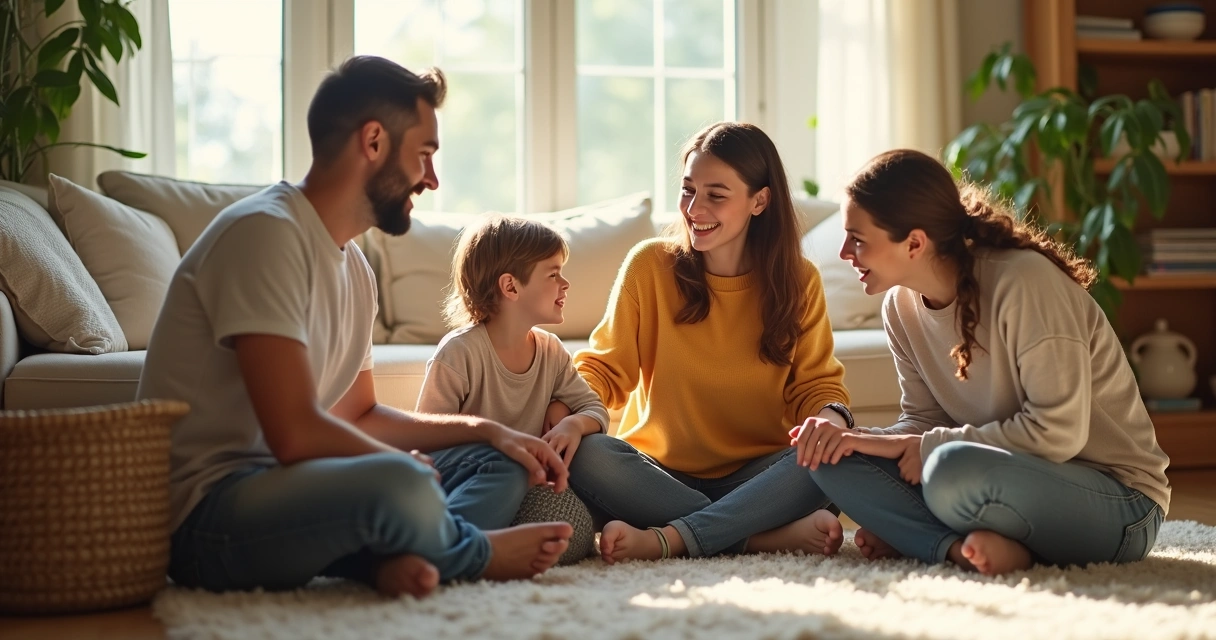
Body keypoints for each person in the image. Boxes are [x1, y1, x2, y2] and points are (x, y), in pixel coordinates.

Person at [137, 55, 573, 599]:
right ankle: (471, 552)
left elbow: (359, 414)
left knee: (497, 459)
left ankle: (402, 553)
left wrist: (487, 430)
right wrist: (397, 467)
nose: (432, 180)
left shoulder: (353, 267)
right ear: (373, 142)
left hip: (298, 492)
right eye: (424, 155)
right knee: (399, 482)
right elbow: (294, 434)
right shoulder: (265, 235)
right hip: (207, 515)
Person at [797, 148, 1170, 576]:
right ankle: (957, 549)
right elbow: (922, 420)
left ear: (915, 243)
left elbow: (1059, 433)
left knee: (949, 468)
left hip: (1120, 502)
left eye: (858, 239)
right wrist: (859, 438)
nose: (845, 253)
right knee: (828, 458)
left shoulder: (1024, 282)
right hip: (996, 479)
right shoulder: (899, 306)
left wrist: (930, 447)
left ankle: (919, 536)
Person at [557, 121, 853, 564]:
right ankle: (755, 537)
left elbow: (815, 387)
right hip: (654, 474)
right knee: (591, 454)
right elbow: (604, 368)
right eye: (688, 189)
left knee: (836, 459)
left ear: (760, 200)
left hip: (756, 478)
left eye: (716, 194)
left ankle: (670, 538)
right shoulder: (650, 265)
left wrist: (830, 420)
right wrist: (572, 418)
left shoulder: (798, 281)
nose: (695, 208)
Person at [415, 215, 610, 507]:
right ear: (511, 287)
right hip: (477, 478)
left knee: (597, 459)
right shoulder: (459, 352)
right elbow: (426, 439)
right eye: (553, 274)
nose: (565, 283)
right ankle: (454, 539)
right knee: (512, 475)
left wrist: (574, 425)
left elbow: (595, 408)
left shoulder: (550, 350)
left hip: (529, 482)